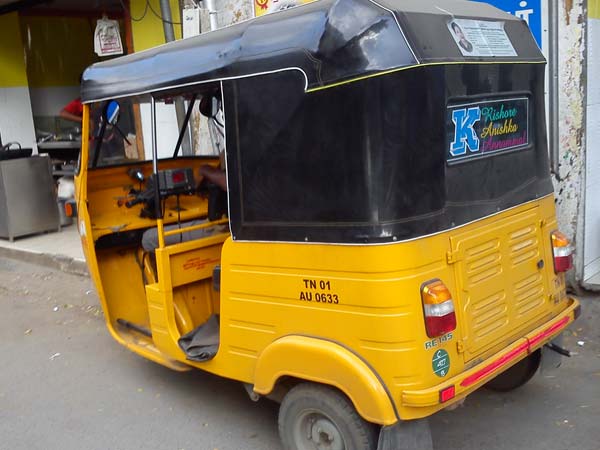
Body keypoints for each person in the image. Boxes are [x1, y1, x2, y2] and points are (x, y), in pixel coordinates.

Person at [141, 92, 228, 252]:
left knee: (149, 238)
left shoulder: (234, 152)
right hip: (226, 223)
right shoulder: (239, 148)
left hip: (222, 227)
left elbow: (230, 183)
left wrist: (204, 170)